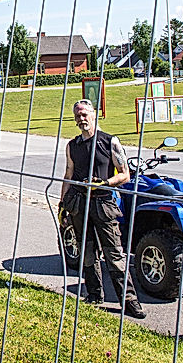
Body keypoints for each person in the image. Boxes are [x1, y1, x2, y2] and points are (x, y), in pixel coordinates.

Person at [59, 98, 145, 319]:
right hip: (79, 204)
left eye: (84, 114)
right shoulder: (72, 146)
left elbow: (125, 175)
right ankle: (94, 295)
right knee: (86, 252)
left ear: (94, 114)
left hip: (104, 204)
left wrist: (106, 183)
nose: (81, 118)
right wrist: (63, 205)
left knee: (114, 254)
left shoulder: (110, 142)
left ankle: (129, 301)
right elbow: (68, 175)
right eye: (78, 115)